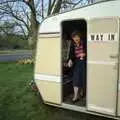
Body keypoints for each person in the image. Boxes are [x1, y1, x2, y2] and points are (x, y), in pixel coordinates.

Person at [67, 31, 86, 102]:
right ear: (72, 38)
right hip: (76, 63)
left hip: (84, 62)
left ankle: (81, 92)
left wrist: (85, 54)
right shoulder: (72, 45)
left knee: (83, 78)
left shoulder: (84, 43)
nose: (76, 38)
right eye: (74, 37)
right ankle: (75, 96)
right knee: (76, 79)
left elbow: (89, 51)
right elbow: (71, 55)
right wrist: (70, 60)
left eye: (77, 36)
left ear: (79, 37)